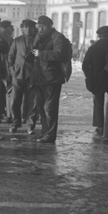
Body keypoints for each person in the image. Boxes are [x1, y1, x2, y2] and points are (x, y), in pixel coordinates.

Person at [31, 15, 69, 144]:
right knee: (41, 107)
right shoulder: (41, 37)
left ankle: (50, 134)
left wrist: (42, 54)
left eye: (43, 26)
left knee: (50, 108)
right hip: (39, 77)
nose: (40, 29)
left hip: (52, 78)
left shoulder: (58, 37)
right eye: (39, 27)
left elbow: (60, 54)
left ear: (50, 25)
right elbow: (32, 50)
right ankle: (44, 132)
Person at [8, 19, 39, 134]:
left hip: (32, 75)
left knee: (32, 101)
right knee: (15, 101)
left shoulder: (37, 41)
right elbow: (10, 57)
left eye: (30, 27)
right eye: (25, 27)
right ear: (22, 28)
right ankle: (15, 123)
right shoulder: (17, 41)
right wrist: (12, 71)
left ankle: (30, 125)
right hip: (18, 75)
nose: (28, 29)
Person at [82, 26, 108, 136]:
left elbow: (85, 65)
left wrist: (89, 75)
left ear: (98, 35)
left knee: (98, 102)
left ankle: (100, 126)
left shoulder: (93, 47)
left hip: (97, 79)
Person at [0, 20, 14, 123]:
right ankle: (8, 115)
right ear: (8, 28)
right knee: (9, 91)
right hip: (6, 68)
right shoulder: (10, 39)